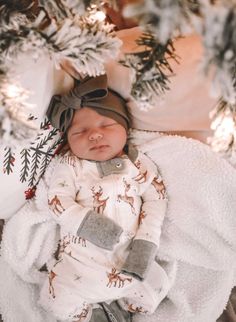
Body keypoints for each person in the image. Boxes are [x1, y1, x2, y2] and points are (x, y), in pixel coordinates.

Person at [39, 74, 170, 322]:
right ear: (67, 140)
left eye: (106, 126)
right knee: (56, 297)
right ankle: (89, 314)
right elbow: (57, 201)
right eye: (80, 131)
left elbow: (157, 199)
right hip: (81, 265)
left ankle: (126, 306)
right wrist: (90, 225)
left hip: (131, 260)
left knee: (158, 286)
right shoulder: (71, 164)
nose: (95, 135)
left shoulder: (138, 163)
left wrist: (146, 242)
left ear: (125, 129)